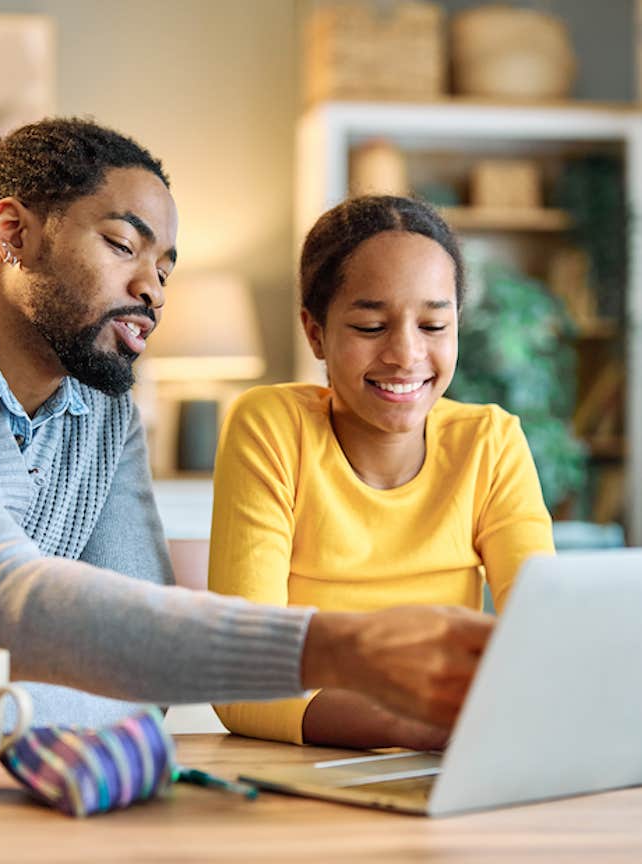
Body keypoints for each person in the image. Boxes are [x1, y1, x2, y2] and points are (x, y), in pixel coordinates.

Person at [0, 120, 494, 759]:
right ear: (14, 234)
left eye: (164, 268)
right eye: (124, 245)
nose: (152, 288)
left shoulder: (102, 414)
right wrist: (340, 648)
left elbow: (133, 684)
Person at [209, 195, 554, 750]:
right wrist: (417, 726)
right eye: (371, 326)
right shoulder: (271, 428)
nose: (406, 354)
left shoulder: (490, 442)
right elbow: (242, 678)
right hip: (314, 768)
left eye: (434, 324)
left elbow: (546, 637)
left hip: (448, 762)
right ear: (316, 333)